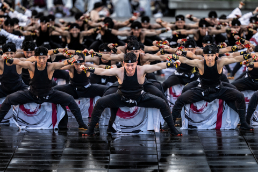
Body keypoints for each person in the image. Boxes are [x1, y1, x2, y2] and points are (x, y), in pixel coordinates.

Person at [81, 52, 182, 136]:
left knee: (162, 103)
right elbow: (102, 71)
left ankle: (173, 129)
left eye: (132, 65)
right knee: (99, 102)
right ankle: (90, 131)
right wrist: (87, 68)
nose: (129, 68)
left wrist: (173, 64)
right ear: (123, 63)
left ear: (136, 63)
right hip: (121, 97)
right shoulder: (119, 71)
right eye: (127, 65)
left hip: (139, 97)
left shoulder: (142, 69)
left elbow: (158, 66)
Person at [0, 46, 88, 130]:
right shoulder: (30, 65)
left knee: (70, 99)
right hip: (32, 94)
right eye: (39, 58)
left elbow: (64, 63)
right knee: (9, 99)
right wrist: (7, 58)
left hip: (49, 94)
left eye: (43, 58)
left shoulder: (51, 66)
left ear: (47, 57)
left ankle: (81, 124)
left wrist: (76, 56)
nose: (41, 60)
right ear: (35, 57)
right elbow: (18, 62)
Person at [170, 44, 254, 130]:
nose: (210, 58)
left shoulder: (220, 62)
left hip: (218, 90)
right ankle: (171, 124)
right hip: (202, 90)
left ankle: (243, 123)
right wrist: (173, 56)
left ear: (216, 55)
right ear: (204, 55)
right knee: (180, 99)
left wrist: (250, 55)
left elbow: (235, 58)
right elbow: (185, 60)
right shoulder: (200, 63)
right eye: (208, 55)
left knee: (239, 96)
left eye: (212, 55)